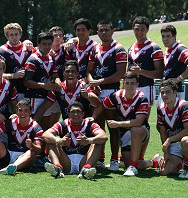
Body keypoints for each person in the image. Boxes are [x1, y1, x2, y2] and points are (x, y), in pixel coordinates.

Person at [87, 20, 127, 170]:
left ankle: (115, 158)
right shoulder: (95, 48)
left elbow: (120, 74)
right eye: (101, 30)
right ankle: (100, 159)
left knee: (113, 126)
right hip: (96, 92)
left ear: (112, 31)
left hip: (112, 92)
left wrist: (99, 82)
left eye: (106, 30)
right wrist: (92, 83)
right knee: (98, 126)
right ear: (97, 32)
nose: (103, 33)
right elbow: (88, 71)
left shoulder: (119, 49)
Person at [0, 99, 44, 175]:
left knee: (32, 153)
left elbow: (38, 150)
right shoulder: (11, 122)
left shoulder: (36, 128)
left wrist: (31, 145)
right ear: (16, 111)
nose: (23, 113)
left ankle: (13, 167)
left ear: (31, 111)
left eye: (26, 110)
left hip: (24, 158)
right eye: (20, 110)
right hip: (7, 155)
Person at [42, 101, 107, 179]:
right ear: (68, 114)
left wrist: (89, 141)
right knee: (51, 140)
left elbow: (104, 136)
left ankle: (86, 169)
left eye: (78, 112)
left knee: (98, 142)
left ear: (83, 114)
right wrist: (60, 141)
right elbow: (45, 134)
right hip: (66, 161)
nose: (76, 114)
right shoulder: (63, 124)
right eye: (73, 112)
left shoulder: (89, 124)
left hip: (84, 160)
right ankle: (57, 168)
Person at [102, 72, 150, 176]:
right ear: (123, 84)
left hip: (139, 132)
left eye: (132, 83)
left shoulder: (142, 98)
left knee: (135, 129)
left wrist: (118, 123)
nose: (129, 86)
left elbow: (138, 122)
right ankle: (154, 162)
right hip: (123, 133)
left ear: (137, 84)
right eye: (127, 83)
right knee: (129, 164)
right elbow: (104, 106)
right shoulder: (115, 96)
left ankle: (132, 166)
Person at [155, 79, 188, 179]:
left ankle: (187, 168)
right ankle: (185, 161)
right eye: (162, 92)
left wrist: (170, 139)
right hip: (174, 144)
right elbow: (162, 132)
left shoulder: (184, 106)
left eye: (168, 92)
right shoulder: (160, 109)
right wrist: (166, 152)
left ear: (175, 93)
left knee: (186, 141)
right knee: (164, 172)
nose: (164, 95)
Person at [34, 60, 101, 121]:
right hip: (67, 127)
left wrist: (88, 96)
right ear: (63, 73)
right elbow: (44, 107)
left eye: (73, 71)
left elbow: (98, 104)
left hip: (84, 126)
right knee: (48, 133)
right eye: (67, 71)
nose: (70, 74)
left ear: (77, 73)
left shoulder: (84, 86)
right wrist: (33, 125)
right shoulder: (59, 88)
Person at [24, 32, 60, 130]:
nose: (47, 46)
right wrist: (43, 85)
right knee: (33, 128)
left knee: (45, 129)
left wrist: (57, 82)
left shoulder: (51, 58)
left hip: (46, 97)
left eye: (49, 44)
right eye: (44, 44)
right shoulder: (33, 60)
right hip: (34, 98)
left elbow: (55, 75)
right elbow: (26, 82)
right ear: (38, 44)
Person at [128, 16, 164, 110]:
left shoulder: (154, 49)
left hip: (146, 88)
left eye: (142, 29)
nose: (139, 32)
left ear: (147, 29)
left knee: (142, 121)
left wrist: (140, 72)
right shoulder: (131, 48)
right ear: (133, 29)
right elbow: (128, 71)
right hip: (130, 88)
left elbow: (160, 73)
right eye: (136, 29)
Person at [159, 24, 188, 102]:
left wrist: (177, 79)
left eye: (168, 36)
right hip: (166, 91)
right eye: (163, 36)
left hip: (174, 92)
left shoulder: (179, 49)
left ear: (174, 36)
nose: (165, 39)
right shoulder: (168, 48)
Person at [0, 23, 33, 101]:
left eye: (16, 34)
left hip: (30, 92)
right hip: (11, 93)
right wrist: (13, 75)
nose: (14, 37)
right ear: (7, 36)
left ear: (20, 34)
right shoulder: (1, 52)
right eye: (11, 35)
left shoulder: (29, 48)